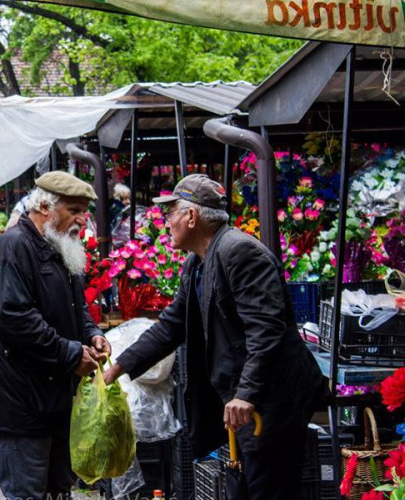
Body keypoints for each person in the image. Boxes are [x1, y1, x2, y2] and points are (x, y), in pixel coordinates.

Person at [103, 174, 330, 499]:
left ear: (192, 217)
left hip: (272, 400)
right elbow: (171, 326)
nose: (166, 222)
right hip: (248, 399)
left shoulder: (239, 252)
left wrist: (246, 394)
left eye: (171, 213)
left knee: (269, 488)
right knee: (252, 485)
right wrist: (118, 367)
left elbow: (266, 332)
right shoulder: (197, 262)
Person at [0, 171, 111, 500]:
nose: (82, 220)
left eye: (84, 211)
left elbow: (76, 306)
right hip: (22, 404)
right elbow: (13, 317)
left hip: (55, 400)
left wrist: (93, 334)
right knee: (28, 493)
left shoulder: (59, 246)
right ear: (44, 205)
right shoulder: (13, 248)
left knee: (59, 491)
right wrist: (70, 354)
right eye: (74, 210)